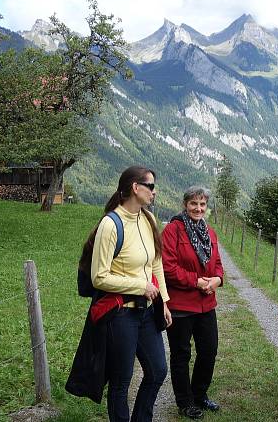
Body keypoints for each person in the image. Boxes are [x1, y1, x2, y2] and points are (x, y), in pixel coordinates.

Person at [80, 165, 173, 422]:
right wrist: (140, 286)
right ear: (135, 187)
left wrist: (164, 300)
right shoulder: (111, 224)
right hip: (120, 314)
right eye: (151, 186)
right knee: (121, 382)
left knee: (157, 371)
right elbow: (99, 277)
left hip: (146, 313)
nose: (154, 192)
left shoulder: (148, 219)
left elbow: (156, 263)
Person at [162, 186, 225, 420]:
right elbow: (168, 268)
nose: (198, 208)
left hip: (206, 303)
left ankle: (200, 395)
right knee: (181, 354)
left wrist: (217, 279)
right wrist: (197, 282)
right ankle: (185, 401)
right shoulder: (173, 230)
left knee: (209, 351)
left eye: (202, 205)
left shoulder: (210, 232)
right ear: (185, 204)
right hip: (180, 305)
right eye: (194, 204)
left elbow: (217, 262)